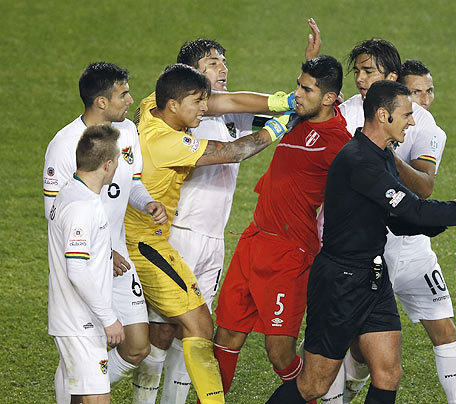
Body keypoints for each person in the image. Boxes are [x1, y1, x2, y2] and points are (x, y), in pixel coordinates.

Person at [266, 80, 456, 404]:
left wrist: (448, 216)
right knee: (314, 386)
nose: (412, 121)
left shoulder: (382, 156)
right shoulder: (359, 162)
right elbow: (415, 211)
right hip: (340, 283)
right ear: (383, 115)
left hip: (374, 277)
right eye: (406, 114)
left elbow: (401, 218)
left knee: (388, 374)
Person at [123, 63, 296, 404]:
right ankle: (86, 386)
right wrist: (278, 126)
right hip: (147, 243)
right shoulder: (168, 142)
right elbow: (233, 152)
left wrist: (279, 101)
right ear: (174, 104)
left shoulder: (151, 106)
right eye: (197, 101)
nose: (205, 107)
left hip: (147, 237)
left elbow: (224, 103)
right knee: (192, 328)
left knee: (183, 329)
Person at [316, 37, 456, 404]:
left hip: (409, 244)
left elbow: (425, 188)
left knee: (442, 329)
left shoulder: (422, 123)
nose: (360, 79)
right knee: (348, 349)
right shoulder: (343, 111)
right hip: (355, 248)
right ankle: (347, 391)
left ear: (391, 77)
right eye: (358, 71)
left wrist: (383, 153)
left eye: (369, 71)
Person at [212, 55, 351, 399]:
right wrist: (312, 62)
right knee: (225, 337)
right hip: (253, 239)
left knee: (279, 352)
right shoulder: (293, 120)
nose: (296, 95)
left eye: (305, 90)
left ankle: (314, 395)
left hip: (290, 254)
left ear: (330, 98)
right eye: (298, 86)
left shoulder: (340, 143)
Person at [43, 62, 168, 401]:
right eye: (123, 94)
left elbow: (134, 182)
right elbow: (55, 212)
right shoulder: (64, 145)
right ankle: (78, 383)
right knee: (86, 341)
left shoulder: (126, 131)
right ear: (101, 101)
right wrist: (99, 247)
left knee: (137, 346)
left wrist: (148, 204)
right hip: (86, 257)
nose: (130, 100)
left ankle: (81, 377)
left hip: (119, 259)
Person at [47, 124, 125, 404]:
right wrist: (109, 318)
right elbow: (77, 270)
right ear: (107, 165)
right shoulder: (82, 207)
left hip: (75, 319)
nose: (118, 165)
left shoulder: (71, 191)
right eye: (116, 160)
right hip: (81, 323)